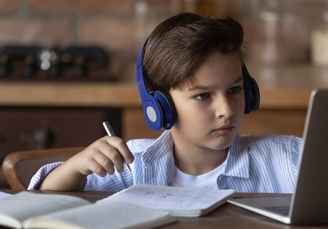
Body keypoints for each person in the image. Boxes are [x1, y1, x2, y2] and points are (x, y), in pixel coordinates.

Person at [28, 12, 302, 193]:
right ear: (159, 106)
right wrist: (74, 167)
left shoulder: (288, 158)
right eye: (203, 95)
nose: (227, 110)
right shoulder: (133, 165)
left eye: (234, 89)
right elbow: (44, 203)